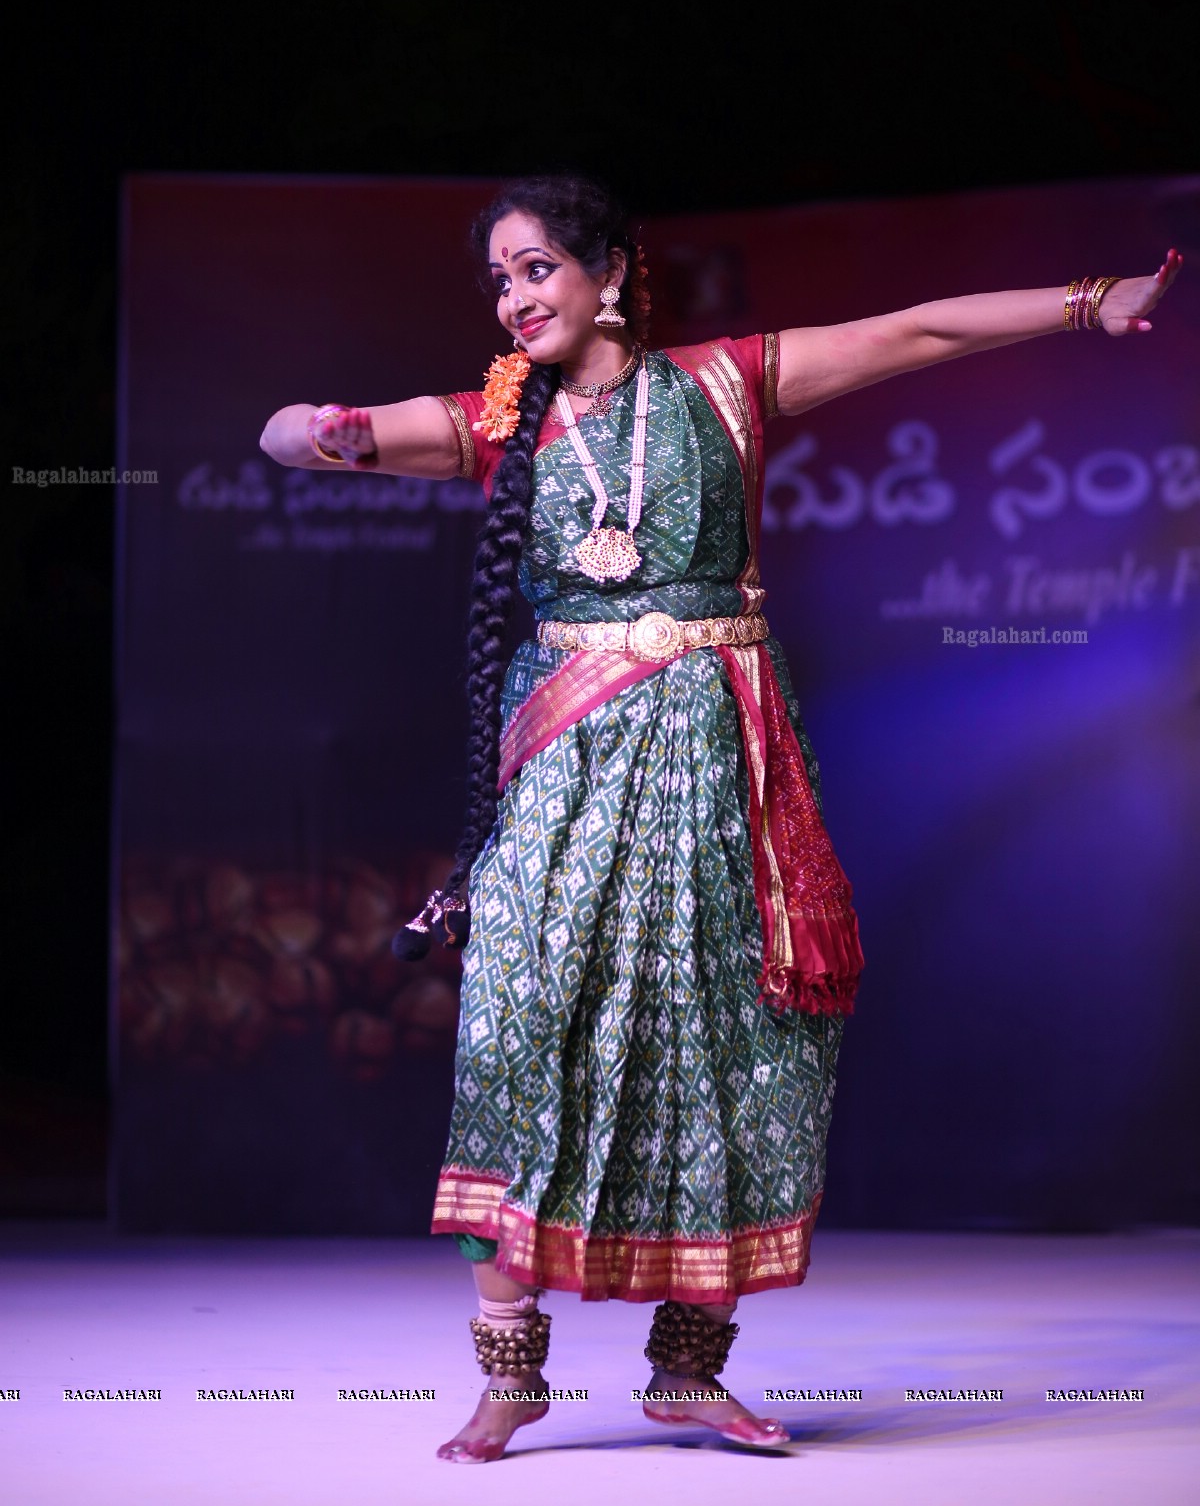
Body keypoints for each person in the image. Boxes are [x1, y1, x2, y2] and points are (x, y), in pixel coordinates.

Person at [260, 175, 1181, 1463]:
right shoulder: (501, 420)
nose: (519, 297)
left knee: (718, 1036)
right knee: (514, 1017)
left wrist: (1089, 304)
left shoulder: (724, 384)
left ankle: (689, 1374)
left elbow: (913, 332)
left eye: (538, 270)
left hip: (716, 753)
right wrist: (323, 430)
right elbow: (290, 439)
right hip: (567, 758)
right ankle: (509, 1374)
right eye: (502, 280)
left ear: (611, 272)